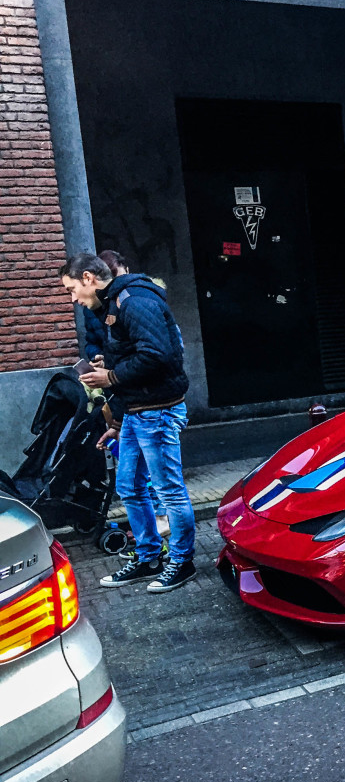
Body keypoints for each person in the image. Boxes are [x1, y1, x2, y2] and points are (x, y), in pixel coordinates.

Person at [59, 253, 197, 593]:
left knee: (169, 491)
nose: (73, 298)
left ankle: (182, 561)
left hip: (158, 410)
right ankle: (150, 556)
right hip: (137, 411)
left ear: (89, 277)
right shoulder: (112, 305)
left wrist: (112, 376)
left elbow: (157, 355)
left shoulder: (134, 301)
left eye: (72, 289)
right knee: (130, 488)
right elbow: (133, 358)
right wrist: (118, 420)